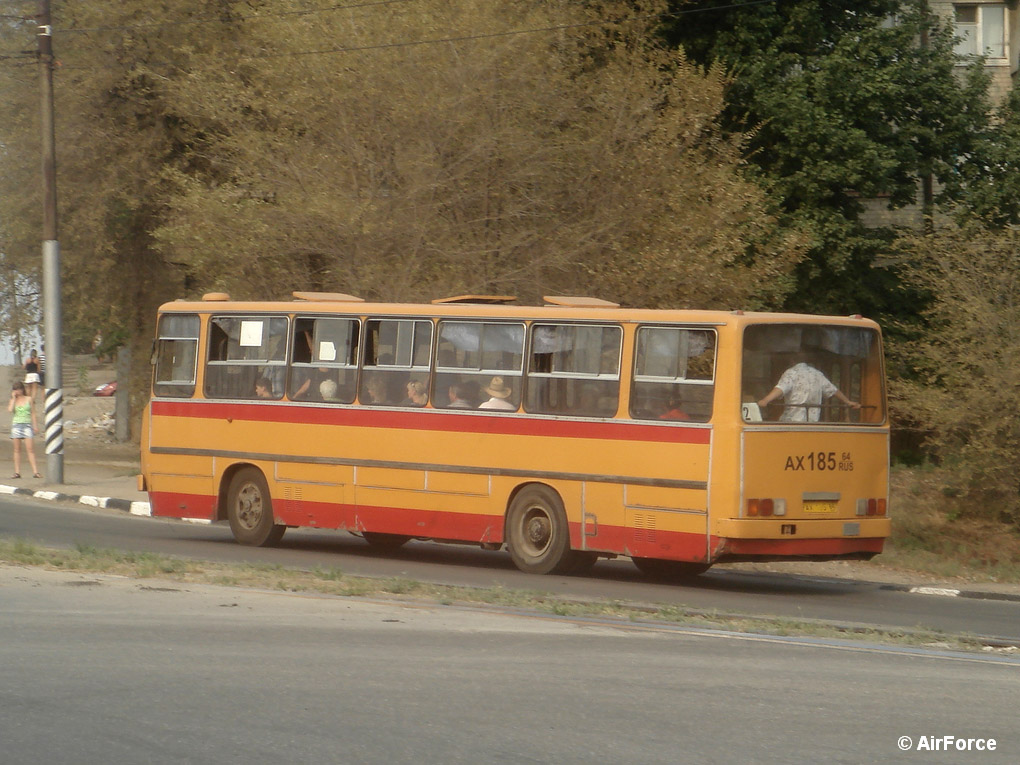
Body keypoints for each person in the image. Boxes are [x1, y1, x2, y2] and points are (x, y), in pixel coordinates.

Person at [758, 361, 860, 422]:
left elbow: (781, 388)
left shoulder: (791, 373)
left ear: (792, 361)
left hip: (791, 422)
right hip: (812, 422)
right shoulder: (817, 374)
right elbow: (833, 390)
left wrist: (765, 400)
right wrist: (848, 402)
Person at [8, 382, 41, 479]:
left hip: (27, 425)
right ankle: (17, 472)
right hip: (16, 425)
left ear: (22, 389)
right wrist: (14, 398)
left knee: (30, 449)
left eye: (18, 389)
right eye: (15, 389)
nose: (17, 391)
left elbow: (33, 413)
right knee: (17, 450)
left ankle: (35, 472)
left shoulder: (29, 399)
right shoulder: (13, 400)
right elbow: (10, 410)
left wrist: (35, 426)